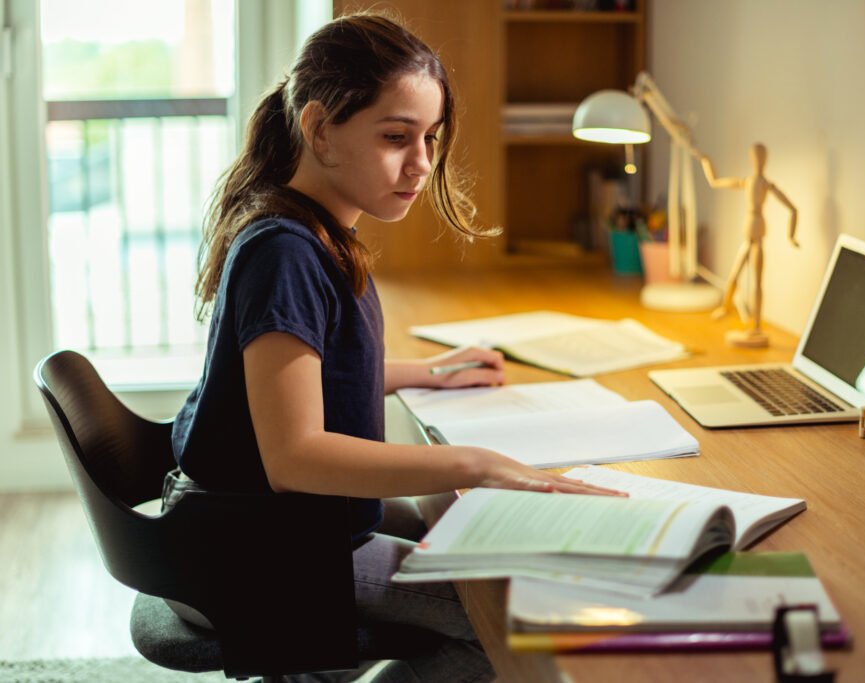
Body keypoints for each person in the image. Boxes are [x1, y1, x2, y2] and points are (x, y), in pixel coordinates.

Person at [165, 12, 622, 683]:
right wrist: (477, 462)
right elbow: (294, 456)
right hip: (258, 549)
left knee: (482, 556)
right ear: (320, 129)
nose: (422, 163)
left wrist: (424, 372)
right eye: (396, 137)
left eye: (430, 138)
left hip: (276, 531)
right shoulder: (284, 252)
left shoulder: (312, 232)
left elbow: (306, 373)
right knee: (506, 619)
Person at [699, 143, 798, 347]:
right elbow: (716, 182)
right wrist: (705, 162)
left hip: (759, 231)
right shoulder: (748, 181)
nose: (757, 161)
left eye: (760, 157)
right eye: (755, 157)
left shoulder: (766, 185)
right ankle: (726, 307)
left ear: (765, 160)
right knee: (734, 273)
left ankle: (757, 325)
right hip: (748, 230)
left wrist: (791, 236)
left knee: (757, 280)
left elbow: (793, 209)